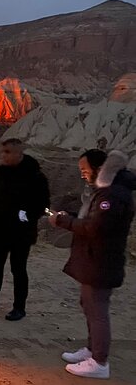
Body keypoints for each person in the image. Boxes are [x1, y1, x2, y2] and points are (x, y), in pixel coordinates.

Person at [50, 150, 136, 380]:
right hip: (96, 260)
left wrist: (63, 221)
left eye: (85, 170)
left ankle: (99, 362)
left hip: (102, 261)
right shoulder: (107, 192)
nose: (83, 175)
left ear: (99, 168)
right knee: (89, 304)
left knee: (97, 310)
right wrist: (68, 215)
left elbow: (95, 228)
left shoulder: (112, 195)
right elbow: (91, 220)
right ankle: (91, 350)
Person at [0, 138, 50, 321]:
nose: (3, 155)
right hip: (0, 229)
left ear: (18, 153)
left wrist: (23, 216)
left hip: (21, 233)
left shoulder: (35, 176)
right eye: (3, 151)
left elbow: (42, 204)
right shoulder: (2, 173)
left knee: (18, 269)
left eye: (7, 152)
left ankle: (19, 307)